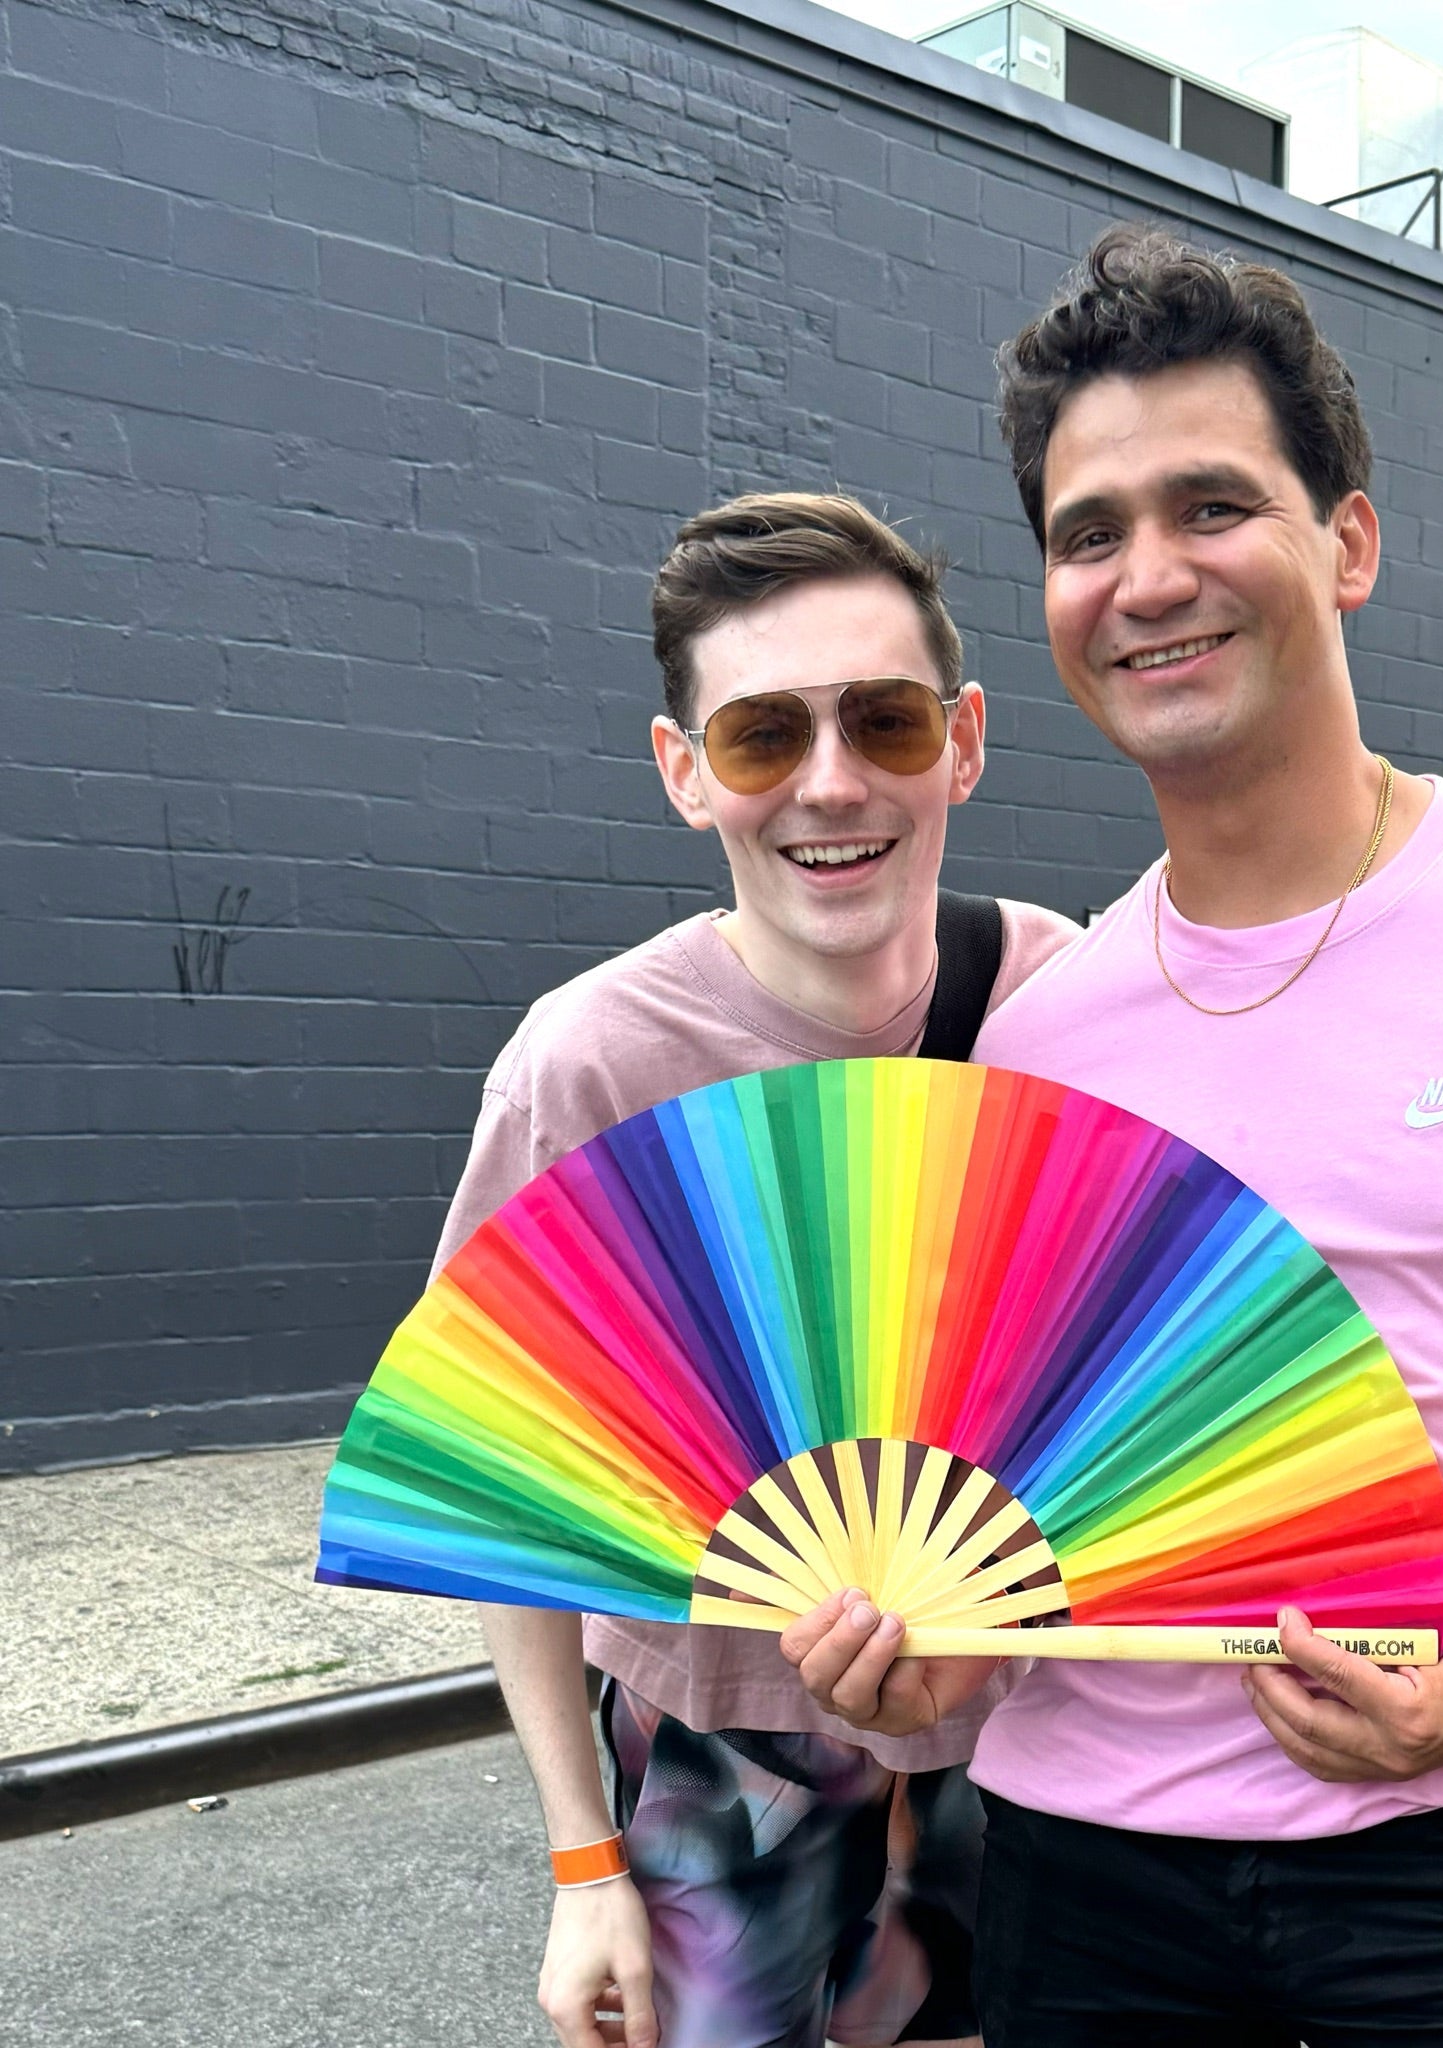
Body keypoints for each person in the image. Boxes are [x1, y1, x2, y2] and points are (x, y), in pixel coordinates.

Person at [784, 227, 1443, 2046]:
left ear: (1345, 541)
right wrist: (914, 1657)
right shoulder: (1040, 1034)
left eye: (1212, 504)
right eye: (1086, 531)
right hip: (1076, 1884)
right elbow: (1015, 1496)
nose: (1147, 576)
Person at [437, 492, 1076, 2048]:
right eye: (761, 737)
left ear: (966, 740)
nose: (833, 782)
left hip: (1034, 1737)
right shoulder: (590, 1068)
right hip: (727, 1761)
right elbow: (512, 1498)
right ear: (684, 774)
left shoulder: (1068, 1007)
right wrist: (582, 1861)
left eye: (886, 720)